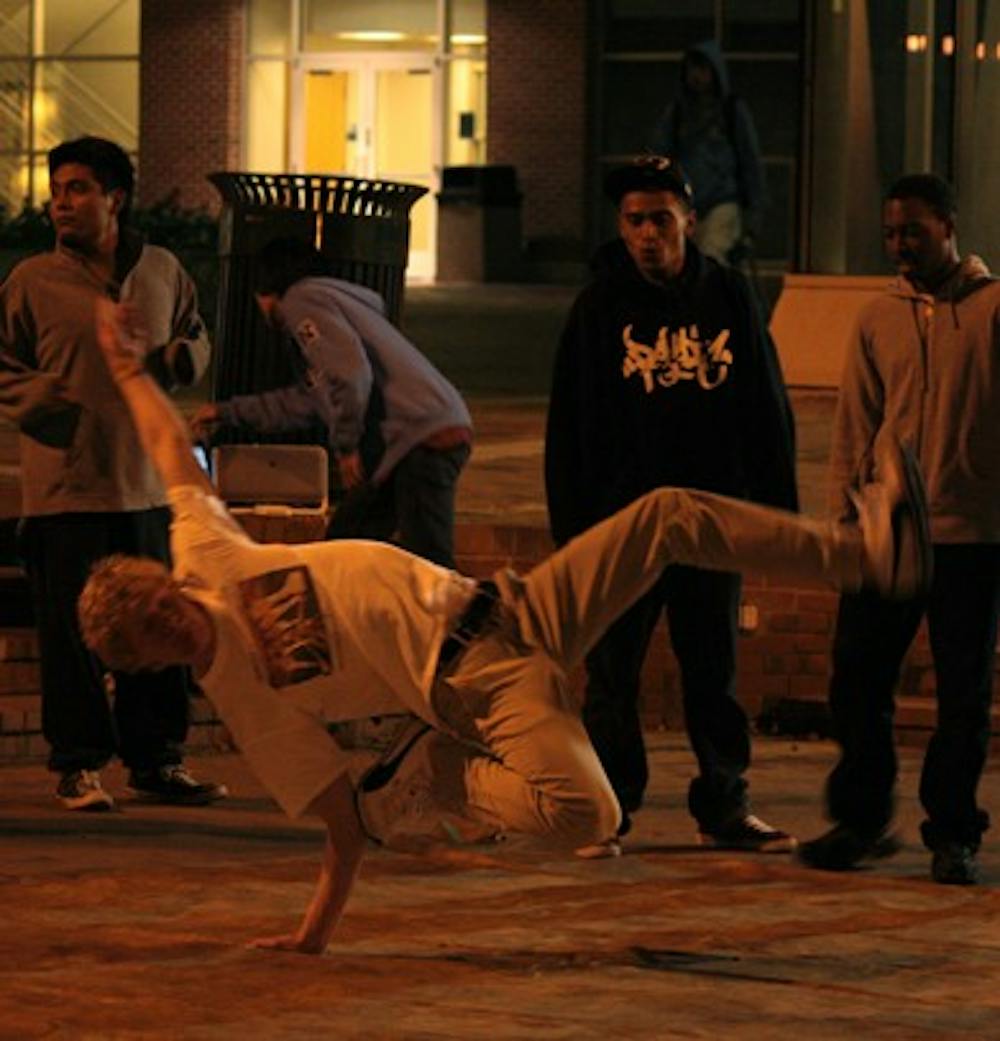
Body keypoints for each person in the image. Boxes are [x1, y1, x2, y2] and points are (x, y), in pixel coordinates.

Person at [77, 286, 930, 955]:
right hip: (473, 689)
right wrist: (313, 934)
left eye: (164, 603)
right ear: (151, 660)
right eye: (159, 634)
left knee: (665, 513)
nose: (176, 620)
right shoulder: (245, 694)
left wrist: (124, 371)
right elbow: (343, 823)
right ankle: (447, 774)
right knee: (588, 814)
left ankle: (865, 553)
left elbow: (165, 448)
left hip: (510, 606)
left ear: (165, 579)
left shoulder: (207, 558)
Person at [545, 155, 798, 858]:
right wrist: (574, 537)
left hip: (709, 522)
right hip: (622, 528)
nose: (648, 233)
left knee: (711, 668)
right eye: (634, 220)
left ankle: (724, 802)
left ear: (688, 217)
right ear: (620, 227)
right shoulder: (598, 308)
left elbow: (765, 406)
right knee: (612, 675)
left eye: (661, 217)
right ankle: (610, 807)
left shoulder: (728, 294)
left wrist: (776, 516)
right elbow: (567, 427)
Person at [0, 136, 225, 812]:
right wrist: (52, 409)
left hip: (148, 488)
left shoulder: (161, 269)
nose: (60, 203)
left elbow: (197, 334)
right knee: (71, 635)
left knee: (158, 624)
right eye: (56, 191)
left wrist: (177, 359)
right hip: (65, 492)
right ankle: (77, 765)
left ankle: (157, 760)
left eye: (76, 189)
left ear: (114, 197)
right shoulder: (31, 281)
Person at [797, 173, 1000, 886]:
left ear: (948, 224)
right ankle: (859, 819)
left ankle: (953, 832)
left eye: (912, 230)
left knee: (963, 696)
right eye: (890, 234)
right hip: (887, 532)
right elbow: (855, 424)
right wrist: (843, 527)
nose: (899, 246)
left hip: (972, 537)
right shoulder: (875, 319)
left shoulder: (992, 308)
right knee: (857, 682)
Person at [190, 237, 472, 569]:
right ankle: (357, 615)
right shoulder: (334, 307)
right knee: (346, 547)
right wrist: (227, 411)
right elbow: (308, 401)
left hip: (421, 437)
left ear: (267, 288)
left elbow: (351, 374)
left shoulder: (300, 300)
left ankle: (479, 618)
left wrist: (346, 446)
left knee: (429, 566)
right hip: (408, 443)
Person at [648, 41, 766, 265]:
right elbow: (660, 154)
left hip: (722, 202)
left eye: (702, 69)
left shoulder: (731, 111)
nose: (696, 75)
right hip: (683, 204)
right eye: (692, 69)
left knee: (712, 262)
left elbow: (750, 162)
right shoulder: (677, 113)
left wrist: (753, 218)